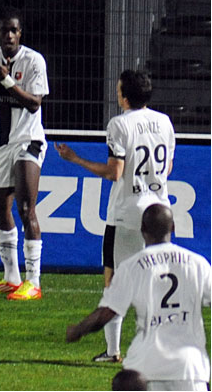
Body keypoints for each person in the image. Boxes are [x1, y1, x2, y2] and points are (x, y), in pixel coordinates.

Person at [55, 70, 176, 362]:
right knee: (156, 282)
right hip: (160, 213)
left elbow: (115, 172)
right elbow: (168, 167)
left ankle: (113, 351)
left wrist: (75, 159)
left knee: (114, 282)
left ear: (124, 96)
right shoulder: (165, 122)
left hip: (127, 213)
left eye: (119, 89)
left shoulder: (119, 125)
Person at [66, 204, 211, 391]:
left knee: (123, 382)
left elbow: (106, 313)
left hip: (147, 367)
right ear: (173, 227)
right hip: (190, 369)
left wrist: (78, 330)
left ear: (142, 229)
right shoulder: (197, 263)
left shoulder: (132, 266)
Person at [0, 7, 48, 300]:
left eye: (14, 31)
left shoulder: (33, 61)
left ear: (21, 34)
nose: (9, 35)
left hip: (28, 140)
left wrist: (5, 80)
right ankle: (11, 277)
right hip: (1, 143)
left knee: (26, 208)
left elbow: (34, 104)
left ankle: (34, 282)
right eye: (4, 30)